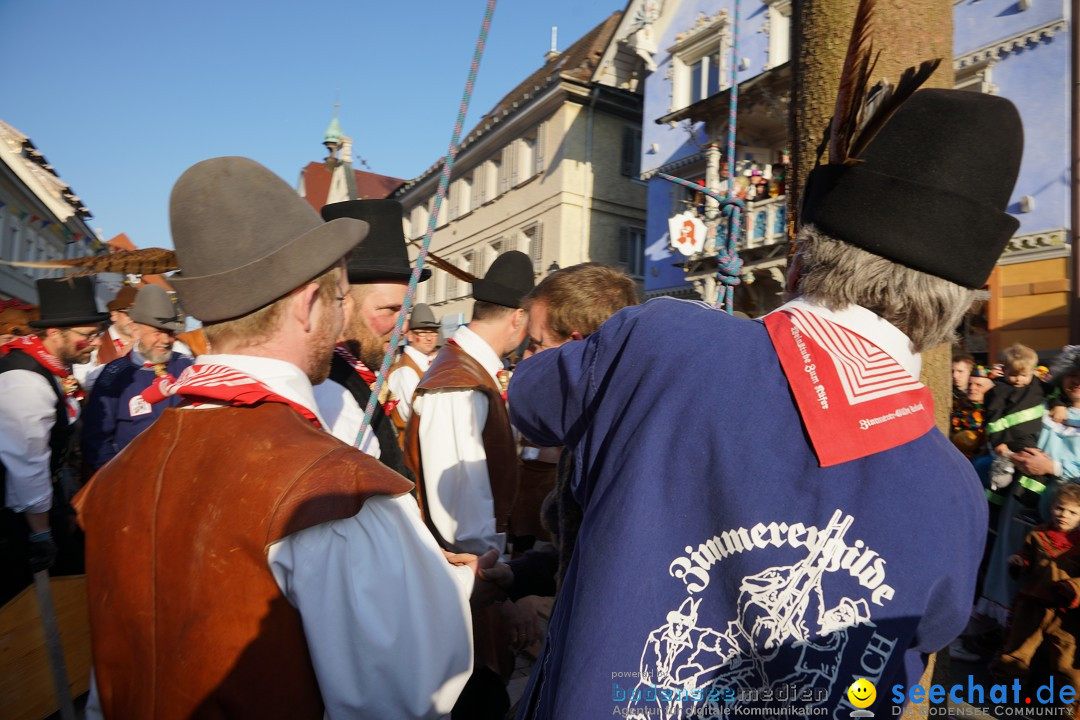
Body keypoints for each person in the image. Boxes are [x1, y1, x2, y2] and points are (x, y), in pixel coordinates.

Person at [507, 89, 1023, 718]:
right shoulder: (956, 492)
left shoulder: (660, 339)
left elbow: (528, 400)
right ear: (953, 307)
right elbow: (921, 640)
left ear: (800, 258)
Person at [73, 157, 484, 719]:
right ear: (308, 303)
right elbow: (408, 694)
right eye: (341, 301)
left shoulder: (113, 480)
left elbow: (104, 691)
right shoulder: (331, 492)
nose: (344, 322)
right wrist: (455, 586)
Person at [403, 249, 535, 720]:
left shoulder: (467, 374)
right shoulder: (457, 383)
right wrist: (496, 588)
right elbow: (459, 509)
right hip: (461, 586)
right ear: (518, 317)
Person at [0, 277, 106, 604]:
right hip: (16, 514)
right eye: (87, 335)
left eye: (97, 334)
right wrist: (42, 533)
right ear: (55, 333)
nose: (95, 343)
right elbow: (26, 466)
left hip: (43, 501)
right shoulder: (25, 380)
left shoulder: (52, 368)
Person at [312, 199, 428, 478]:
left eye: (406, 311)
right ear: (343, 305)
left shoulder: (356, 374)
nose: (403, 328)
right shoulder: (328, 394)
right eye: (390, 310)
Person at [80, 285, 194, 473]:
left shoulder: (187, 367)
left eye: (170, 332)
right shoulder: (114, 374)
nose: (166, 340)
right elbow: (96, 439)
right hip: (129, 479)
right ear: (136, 330)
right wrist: (115, 478)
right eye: (157, 332)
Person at [993, 482, 1080, 703]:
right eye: (1060, 508)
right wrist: (1019, 561)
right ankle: (1008, 692)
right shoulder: (1039, 533)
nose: (1064, 515)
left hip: (1064, 613)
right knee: (1018, 650)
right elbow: (1027, 556)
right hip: (1031, 603)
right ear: (1052, 507)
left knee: (1066, 661)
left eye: (1072, 512)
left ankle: (1071, 705)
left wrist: (1073, 587)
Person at [986, 343, 1046, 491]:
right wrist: (998, 442)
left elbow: (1055, 392)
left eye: (1024, 375)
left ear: (1033, 372)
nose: (1019, 379)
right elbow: (993, 419)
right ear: (1004, 370)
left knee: (1025, 471)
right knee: (1031, 469)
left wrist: (1059, 405)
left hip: (1033, 436)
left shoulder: (1037, 385)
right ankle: (1021, 499)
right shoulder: (999, 391)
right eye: (1013, 374)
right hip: (1012, 438)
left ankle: (1024, 497)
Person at [387, 302, 441, 438]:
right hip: (412, 448)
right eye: (422, 333)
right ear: (410, 336)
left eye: (433, 332)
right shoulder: (406, 371)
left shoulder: (431, 364)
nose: (429, 338)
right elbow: (418, 417)